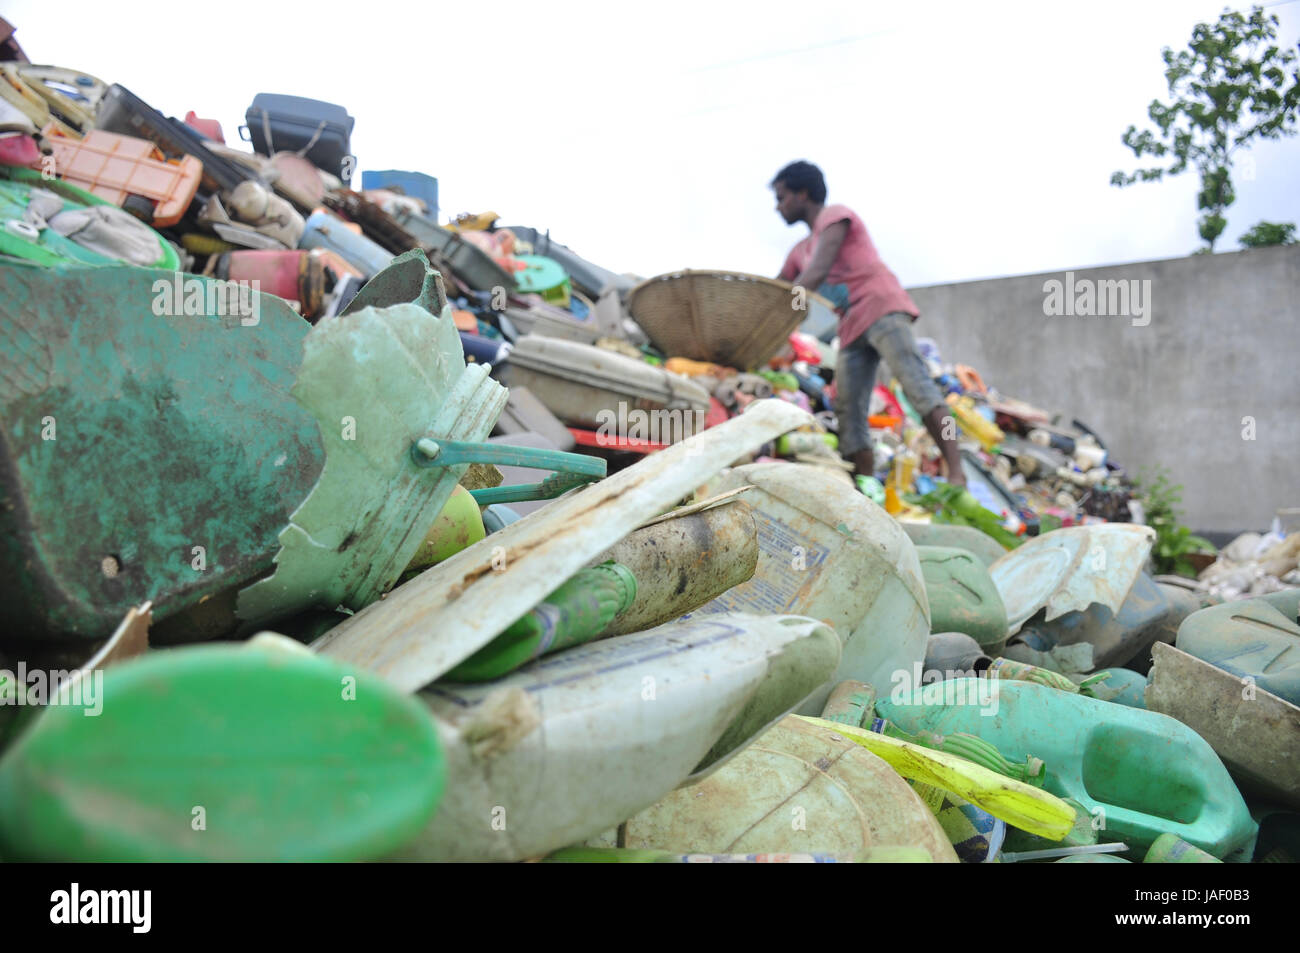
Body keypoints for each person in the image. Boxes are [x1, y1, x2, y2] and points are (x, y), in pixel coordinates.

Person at [771, 160, 965, 488]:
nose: (778, 207)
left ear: (803, 193)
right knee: (848, 408)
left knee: (917, 386)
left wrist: (788, 309)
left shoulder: (835, 217)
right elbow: (775, 292)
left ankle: (957, 471)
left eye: (782, 197)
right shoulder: (798, 251)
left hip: (880, 306)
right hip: (850, 324)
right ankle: (865, 487)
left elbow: (814, 275)